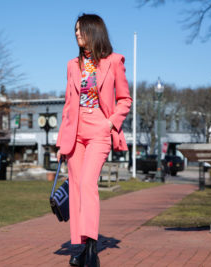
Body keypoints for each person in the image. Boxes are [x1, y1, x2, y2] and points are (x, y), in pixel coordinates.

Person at [56, 13, 132, 267]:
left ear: (94, 31)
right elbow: (68, 106)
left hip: (99, 131)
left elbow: (125, 99)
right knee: (76, 189)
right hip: (75, 134)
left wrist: (110, 123)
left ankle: (91, 246)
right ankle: (78, 247)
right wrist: (61, 142)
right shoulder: (71, 65)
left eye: (81, 29)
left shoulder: (113, 61)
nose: (77, 33)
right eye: (75, 30)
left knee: (88, 183)